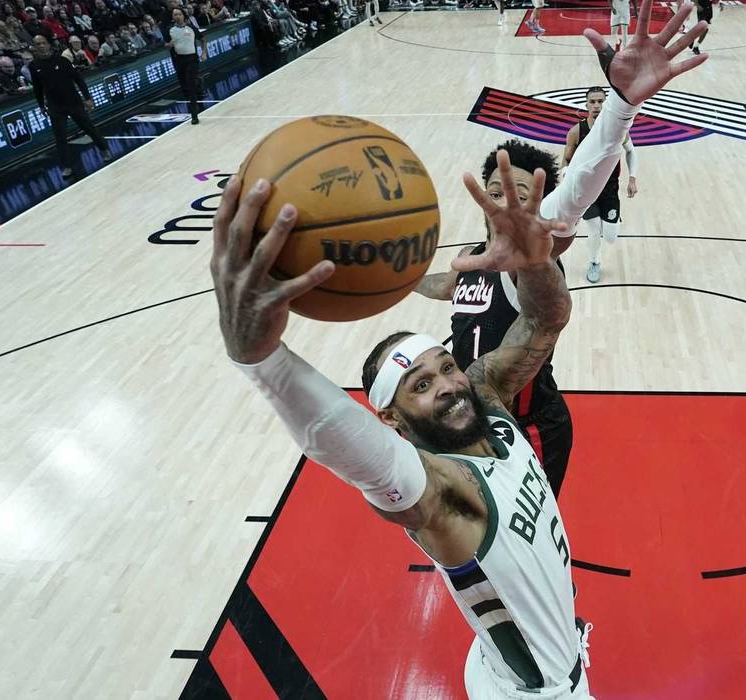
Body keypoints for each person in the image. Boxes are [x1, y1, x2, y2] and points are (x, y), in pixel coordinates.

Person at [210, 3, 706, 697]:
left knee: (525, 542)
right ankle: (532, 612)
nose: (444, 382)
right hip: (538, 678)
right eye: (420, 385)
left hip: (530, 418)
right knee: (500, 545)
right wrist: (277, 349)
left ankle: (535, 602)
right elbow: (358, 444)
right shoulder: (441, 484)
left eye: (442, 368)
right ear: (392, 418)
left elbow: (558, 254)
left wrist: (618, 112)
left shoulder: (499, 340)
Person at [412, 140, 578, 498]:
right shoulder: (471, 255)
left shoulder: (531, 270)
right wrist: (402, 279)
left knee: (527, 523)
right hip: (468, 416)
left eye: (518, 196)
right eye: (495, 193)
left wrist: (536, 262)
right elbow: (446, 286)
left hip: (527, 425)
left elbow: (550, 312)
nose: (503, 204)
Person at [562, 86, 636, 284]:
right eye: (592, 102)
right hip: (587, 192)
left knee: (610, 237)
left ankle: (613, 219)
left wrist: (632, 178)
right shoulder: (577, 131)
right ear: (586, 105)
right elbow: (566, 160)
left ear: (606, 104)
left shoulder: (617, 129)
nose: (596, 105)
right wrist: (565, 177)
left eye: (600, 101)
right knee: (594, 230)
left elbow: (631, 151)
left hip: (610, 190)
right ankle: (594, 262)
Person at [29, 34, 112, 178]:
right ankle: (67, 166)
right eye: (38, 44)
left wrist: (87, 97)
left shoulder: (62, 60)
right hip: (55, 106)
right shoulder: (34, 65)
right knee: (60, 136)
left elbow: (78, 79)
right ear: (34, 47)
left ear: (48, 44)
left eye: (43, 43)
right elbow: (37, 88)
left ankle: (104, 149)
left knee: (89, 128)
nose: (41, 46)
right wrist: (41, 105)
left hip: (73, 101)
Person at [168, 8, 205, 123]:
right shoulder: (170, 30)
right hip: (179, 60)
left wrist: (204, 52)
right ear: (172, 17)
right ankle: (198, 84)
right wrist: (169, 44)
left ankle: (194, 115)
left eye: (179, 14)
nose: (177, 16)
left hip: (192, 59)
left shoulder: (191, 28)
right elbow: (165, 44)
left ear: (183, 16)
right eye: (175, 15)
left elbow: (203, 38)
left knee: (190, 84)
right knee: (185, 86)